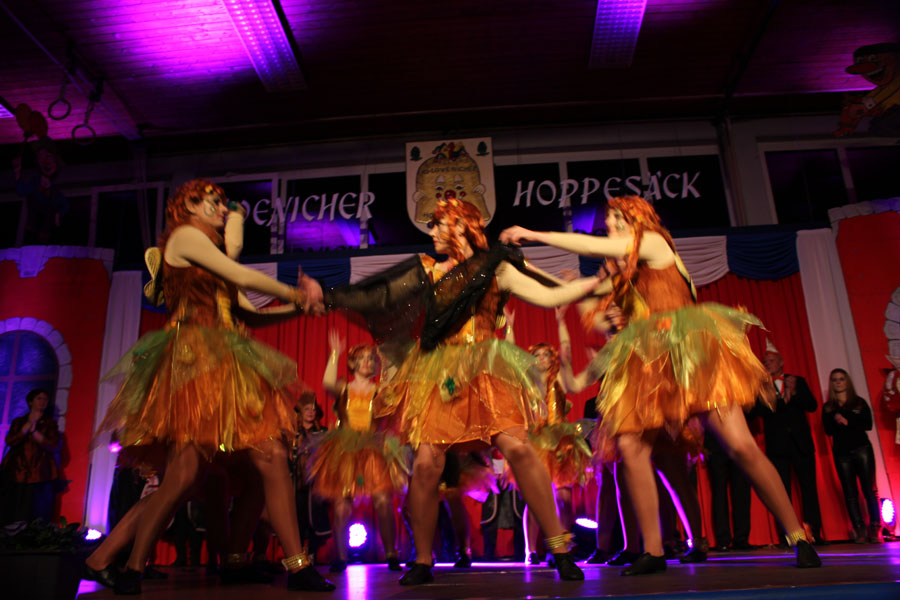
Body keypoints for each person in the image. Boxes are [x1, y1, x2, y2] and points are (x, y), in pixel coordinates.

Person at [500, 194, 821, 574]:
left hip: (690, 355)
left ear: (637, 220)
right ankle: (652, 551)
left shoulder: (654, 243)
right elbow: (563, 292)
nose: (611, 226)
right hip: (650, 364)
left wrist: (533, 233)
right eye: (609, 221)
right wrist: (514, 270)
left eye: (618, 219)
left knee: (740, 445)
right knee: (631, 446)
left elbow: (594, 247)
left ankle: (797, 536)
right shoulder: (622, 275)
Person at [320, 198, 603, 584]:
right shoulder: (429, 270)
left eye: (439, 224)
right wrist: (328, 295)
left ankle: (560, 548)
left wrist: (596, 283)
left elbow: (549, 296)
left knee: (519, 449)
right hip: (438, 372)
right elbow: (377, 296)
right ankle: (423, 560)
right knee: (426, 464)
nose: (432, 232)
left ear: (461, 227)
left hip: (486, 369)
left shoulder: (496, 267)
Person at [83, 179, 334, 594]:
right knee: (184, 477)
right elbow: (237, 270)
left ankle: (296, 565)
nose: (222, 210)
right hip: (194, 364)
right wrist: (296, 290)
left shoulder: (214, 263)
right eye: (215, 203)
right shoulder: (184, 237)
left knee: (270, 457)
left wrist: (299, 309)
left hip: (227, 364)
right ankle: (129, 566)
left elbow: (248, 315)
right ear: (189, 205)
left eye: (225, 206)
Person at [308, 332, 406, 572]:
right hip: (345, 450)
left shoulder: (379, 390)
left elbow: (396, 388)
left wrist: (389, 358)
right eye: (362, 358)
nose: (367, 362)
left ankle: (391, 553)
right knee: (342, 503)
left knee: (383, 499)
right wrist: (335, 354)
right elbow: (327, 383)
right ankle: (341, 556)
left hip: (373, 448)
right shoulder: (344, 388)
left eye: (371, 359)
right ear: (352, 363)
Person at [752, 340, 825, 545]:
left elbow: (812, 405)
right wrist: (778, 400)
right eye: (765, 361)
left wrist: (794, 395)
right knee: (781, 493)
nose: (768, 364)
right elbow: (755, 413)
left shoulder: (797, 381)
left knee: (809, 490)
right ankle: (788, 536)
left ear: (781, 362)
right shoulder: (761, 387)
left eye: (771, 360)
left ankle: (814, 533)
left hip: (801, 444)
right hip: (777, 446)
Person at [822, 368, 881, 543]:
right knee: (850, 493)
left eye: (841, 379)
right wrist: (836, 421)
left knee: (869, 490)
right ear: (831, 383)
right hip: (842, 453)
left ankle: (876, 528)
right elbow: (828, 431)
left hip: (862, 449)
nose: (838, 382)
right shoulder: (829, 408)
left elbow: (868, 424)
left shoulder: (859, 403)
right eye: (835, 379)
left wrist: (848, 421)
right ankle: (859, 529)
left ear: (847, 382)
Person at [0, 388, 61, 525]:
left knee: (35, 507)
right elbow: (10, 441)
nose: (42, 402)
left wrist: (35, 432)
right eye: (39, 398)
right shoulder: (19, 422)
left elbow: (53, 444)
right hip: (17, 470)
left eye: (45, 399)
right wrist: (25, 428)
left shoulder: (49, 423)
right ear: (30, 402)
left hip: (39, 471)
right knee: (15, 504)